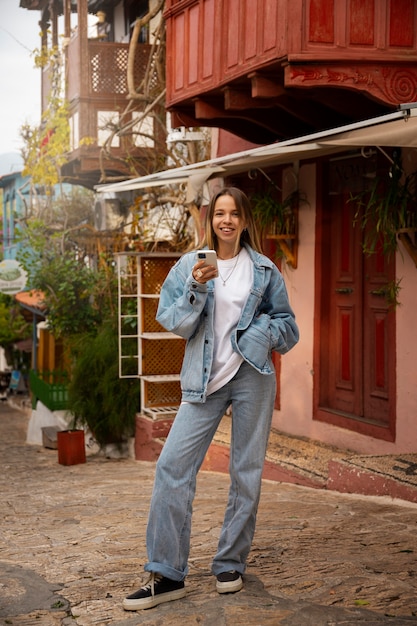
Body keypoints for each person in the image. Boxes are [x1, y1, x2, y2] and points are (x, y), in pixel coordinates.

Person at [123, 186, 299, 611]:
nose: (226, 220)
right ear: (210, 219)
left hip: (252, 376)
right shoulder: (191, 264)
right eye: (219, 213)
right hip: (203, 381)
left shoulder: (263, 269)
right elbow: (175, 322)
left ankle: (229, 564)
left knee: (246, 471)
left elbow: (288, 328)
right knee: (172, 468)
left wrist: (260, 334)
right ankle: (166, 573)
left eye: (234, 213)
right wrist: (196, 289)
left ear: (244, 220)